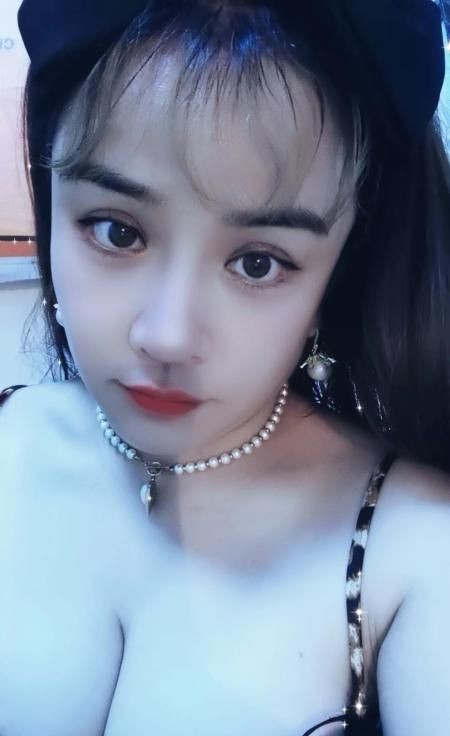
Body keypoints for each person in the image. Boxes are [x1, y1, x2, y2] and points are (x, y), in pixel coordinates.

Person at [1, 0, 449, 734]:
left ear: (340, 271)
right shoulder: (11, 436)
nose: (167, 335)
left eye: (258, 262)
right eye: (117, 231)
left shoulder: (415, 550)